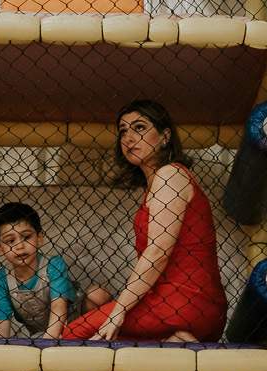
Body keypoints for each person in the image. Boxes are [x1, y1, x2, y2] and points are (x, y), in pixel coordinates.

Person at [61, 100, 228, 342]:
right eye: (123, 131)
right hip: (181, 303)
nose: (128, 138)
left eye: (139, 127)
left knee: (73, 334)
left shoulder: (171, 174)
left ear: (165, 136)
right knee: (113, 340)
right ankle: (177, 340)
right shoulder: (158, 184)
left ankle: (178, 336)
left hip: (184, 299)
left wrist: (119, 311)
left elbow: (158, 252)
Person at [0, 202, 109, 338]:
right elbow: (2, 320)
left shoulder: (53, 265)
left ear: (39, 238)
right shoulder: (2, 278)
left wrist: (49, 340)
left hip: (75, 321)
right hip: (41, 333)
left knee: (98, 293)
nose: (20, 246)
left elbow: (59, 307)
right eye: (10, 241)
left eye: (27, 237)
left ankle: (100, 336)